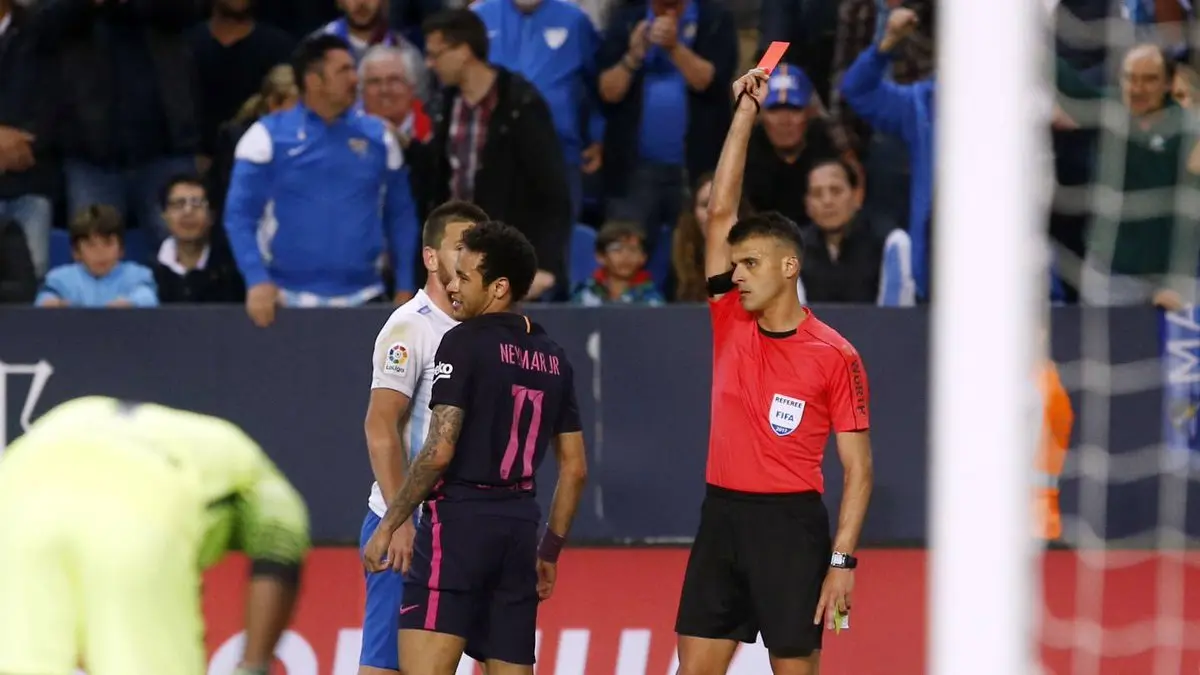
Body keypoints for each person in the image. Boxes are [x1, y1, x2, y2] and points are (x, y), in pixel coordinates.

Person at [673, 68, 874, 675]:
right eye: (735, 263)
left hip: (792, 529)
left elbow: (859, 471)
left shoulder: (835, 354)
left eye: (751, 263)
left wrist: (841, 564)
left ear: (789, 267)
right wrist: (744, 112)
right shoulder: (730, 318)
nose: (737, 274)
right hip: (722, 518)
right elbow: (721, 210)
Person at [362, 221, 589, 675]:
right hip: (521, 528)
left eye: (465, 278)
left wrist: (391, 522)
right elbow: (576, 469)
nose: (452, 285)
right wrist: (549, 551)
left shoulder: (461, 342)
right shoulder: (554, 357)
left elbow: (439, 450)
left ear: (499, 287)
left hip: (459, 525)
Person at [0, 396, 311, 675]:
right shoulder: (248, 463)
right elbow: (282, 539)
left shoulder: (71, 416)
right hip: (136, 514)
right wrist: (255, 665)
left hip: (15, 503)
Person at [358, 200, 490, 675]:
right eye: (461, 246)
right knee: (387, 668)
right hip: (407, 527)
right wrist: (399, 521)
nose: (472, 256)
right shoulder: (410, 326)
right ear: (431, 257)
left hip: (462, 526)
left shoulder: (481, 327)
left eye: (479, 246)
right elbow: (380, 427)